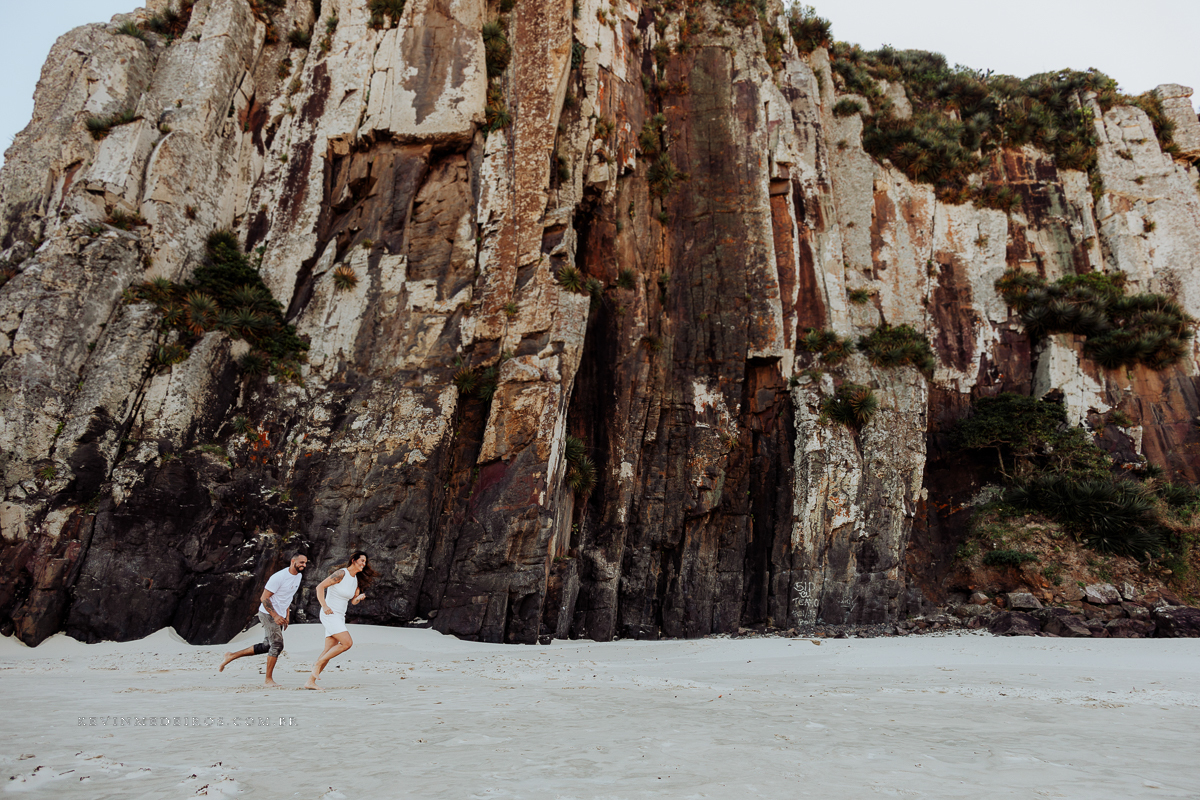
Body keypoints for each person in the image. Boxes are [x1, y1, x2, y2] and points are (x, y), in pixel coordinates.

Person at [219, 553, 308, 686]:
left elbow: (288, 596)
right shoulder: (278, 577)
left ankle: (231, 655)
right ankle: (268, 680)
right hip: (268, 614)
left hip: (280, 615)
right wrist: (276, 616)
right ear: (292, 561)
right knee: (277, 645)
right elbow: (264, 598)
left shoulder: (298, 576)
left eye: (305, 563)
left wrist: (286, 614)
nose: (304, 565)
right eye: (301, 562)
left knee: (267, 645)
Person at [304, 551, 373, 691]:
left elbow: (352, 601)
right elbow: (320, 587)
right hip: (329, 614)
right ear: (353, 560)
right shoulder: (341, 574)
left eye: (365, 562)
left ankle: (310, 682)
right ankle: (317, 663)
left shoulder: (355, 581)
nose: (364, 564)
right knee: (347, 643)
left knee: (329, 650)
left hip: (339, 617)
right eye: (362, 560)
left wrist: (358, 599)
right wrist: (324, 605)